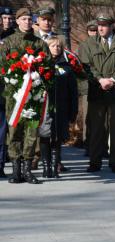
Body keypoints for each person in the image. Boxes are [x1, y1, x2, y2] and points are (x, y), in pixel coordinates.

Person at [0, 8, 48, 184]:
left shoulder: (39, 44)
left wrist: (41, 82)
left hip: (34, 95)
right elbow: (2, 67)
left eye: (30, 19)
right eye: (24, 19)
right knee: (14, 132)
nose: (28, 22)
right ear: (17, 21)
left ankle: (28, 170)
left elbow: (47, 66)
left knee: (31, 131)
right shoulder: (8, 42)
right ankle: (16, 171)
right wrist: (12, 79)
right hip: (14, 96)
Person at [80, 14, 115, 173]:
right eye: (98, 25)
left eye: (104, 25)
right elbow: (86, 65)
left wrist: (113, 80)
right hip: (97, 91)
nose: (100, 28)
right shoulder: (88, 44)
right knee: (96, 129)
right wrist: (100, 80)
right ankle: (94, 162)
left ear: (111, 26)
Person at [40, 37, 78, 179]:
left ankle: (55, 167)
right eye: (53, 46)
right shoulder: (41, 65)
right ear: (47, 48)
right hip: (45, 108)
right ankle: (46, 167)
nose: (56, 48)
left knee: (57, 138)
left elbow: (73, 91)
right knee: (45, 137)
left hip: (61, 108)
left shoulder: (67, 67)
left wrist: (73, 111)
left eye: (59, 46)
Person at [75, 20, 98, 152]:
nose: (94, 33)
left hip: (101, 86)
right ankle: (87, 144)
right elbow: (80, 67)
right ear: (88, 32)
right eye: (91, 31)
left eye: (95, 30)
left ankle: (99, 145)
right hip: (87, 86)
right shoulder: (82, 47)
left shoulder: (104, 45)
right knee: (88, 117)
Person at [0, 6, 13, 178]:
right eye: (4, 17)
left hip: (8, 87)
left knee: (3, 131)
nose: (7, 21)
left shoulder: (14, 37)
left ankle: (1, 164)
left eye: (10, 18)